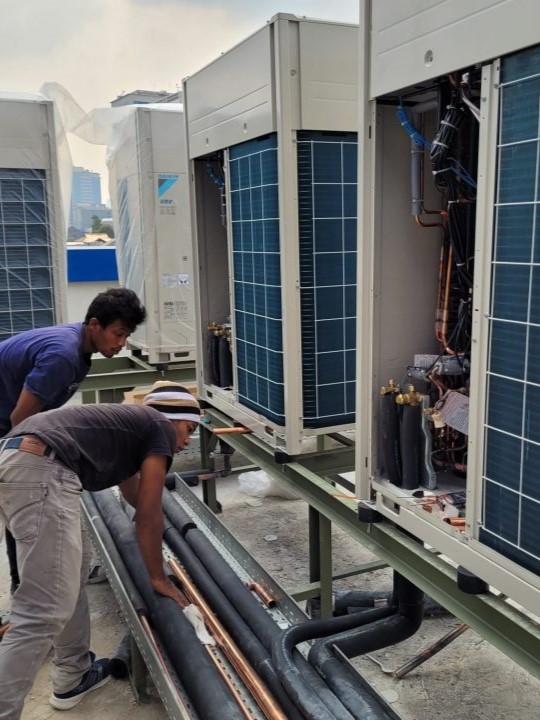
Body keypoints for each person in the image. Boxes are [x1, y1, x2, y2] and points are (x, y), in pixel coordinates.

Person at [0, 381, 201, 719]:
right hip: (43, 471)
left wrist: (165, 532)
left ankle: (72, 675)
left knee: (71, 573)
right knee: (42, 611)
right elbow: (148, 513)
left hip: (19, 460)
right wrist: (158, 577)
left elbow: (133, 494)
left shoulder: (131, 426)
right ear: (171, 418)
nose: (185, 442)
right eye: (189, 429)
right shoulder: (159, 427)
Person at [0, 288, 146, 593]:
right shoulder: (63, 355)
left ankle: (21, 584)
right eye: (118, 334)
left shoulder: (78, 346)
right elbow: (21, 420)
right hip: (9, 421)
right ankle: (23, 588)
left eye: (127, 336)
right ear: (94, 324)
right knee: (23, 493)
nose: (121, 344)